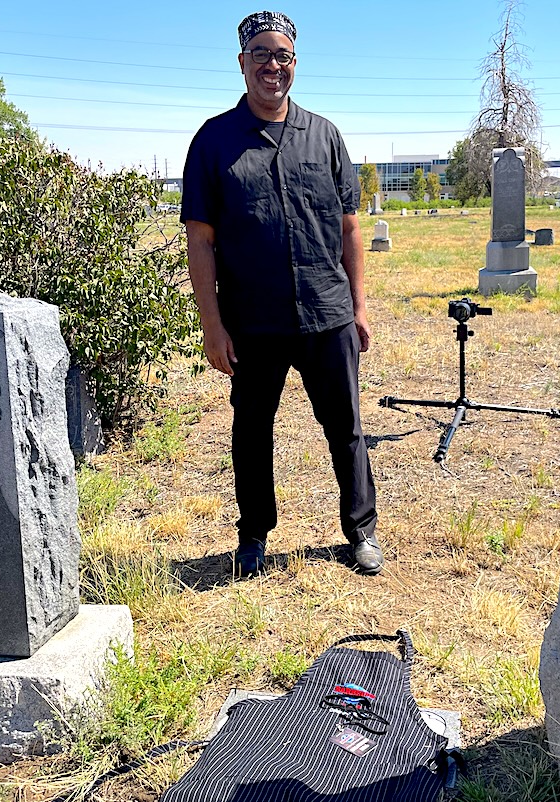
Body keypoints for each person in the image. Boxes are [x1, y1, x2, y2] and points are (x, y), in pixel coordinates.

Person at [181, 10, 382, 578]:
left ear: (295, 63)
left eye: (283, 56)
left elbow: (348, 227)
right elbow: (201, 241)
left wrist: (359, 306)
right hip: (253, 321)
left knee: (346, 428)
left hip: (326, 312)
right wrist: (213, 326)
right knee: (251, 432)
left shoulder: (325, 135)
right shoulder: (213, 141)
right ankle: (253, 535)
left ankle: (361, 530)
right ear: (242, 63)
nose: (273, 66)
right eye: (262, 55)